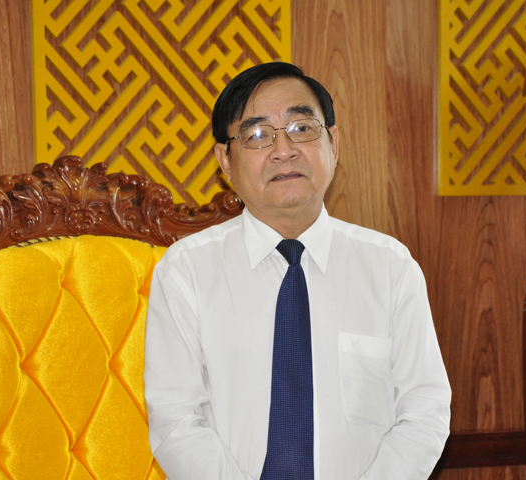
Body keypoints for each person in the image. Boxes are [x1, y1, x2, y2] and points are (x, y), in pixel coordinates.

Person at [144, 62, 451, 480]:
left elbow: (424, 412)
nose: (284, 150)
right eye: (257, 135)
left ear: (333, 144)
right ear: (225, 161)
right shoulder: (186, 272)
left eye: (302, 128)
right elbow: (177, 423)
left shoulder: (391, 268)